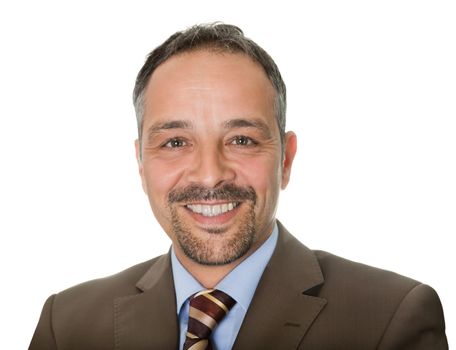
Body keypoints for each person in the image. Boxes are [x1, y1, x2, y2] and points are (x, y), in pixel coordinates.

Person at [29, 23, 448, 350]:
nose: (210, 175)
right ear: (140, 163)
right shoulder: (66, 325)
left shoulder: (389, 318)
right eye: (176, 142)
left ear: (285, 158)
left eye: (241, 140)